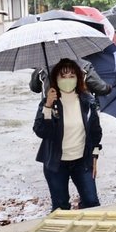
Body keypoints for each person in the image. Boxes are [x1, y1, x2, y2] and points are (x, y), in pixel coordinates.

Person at [33, 58, 103, 210]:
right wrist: (47, 106)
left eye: (71, 76)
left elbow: (96, 132)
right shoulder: (51, 101)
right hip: (56, 164)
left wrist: (95, 155)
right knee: (60, 207)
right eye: (63, 76)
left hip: (82, 162)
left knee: (92, 202)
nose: (67, 80)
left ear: (78, 78)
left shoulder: (88, 101)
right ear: (55, 79)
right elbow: (40, 131)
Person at [30, 59, 112, 102]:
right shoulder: (84, 66)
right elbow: (101, 88)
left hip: (51, 112)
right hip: (79, 112)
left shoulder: (42, 68)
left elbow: (34, 88)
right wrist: (109, 87)